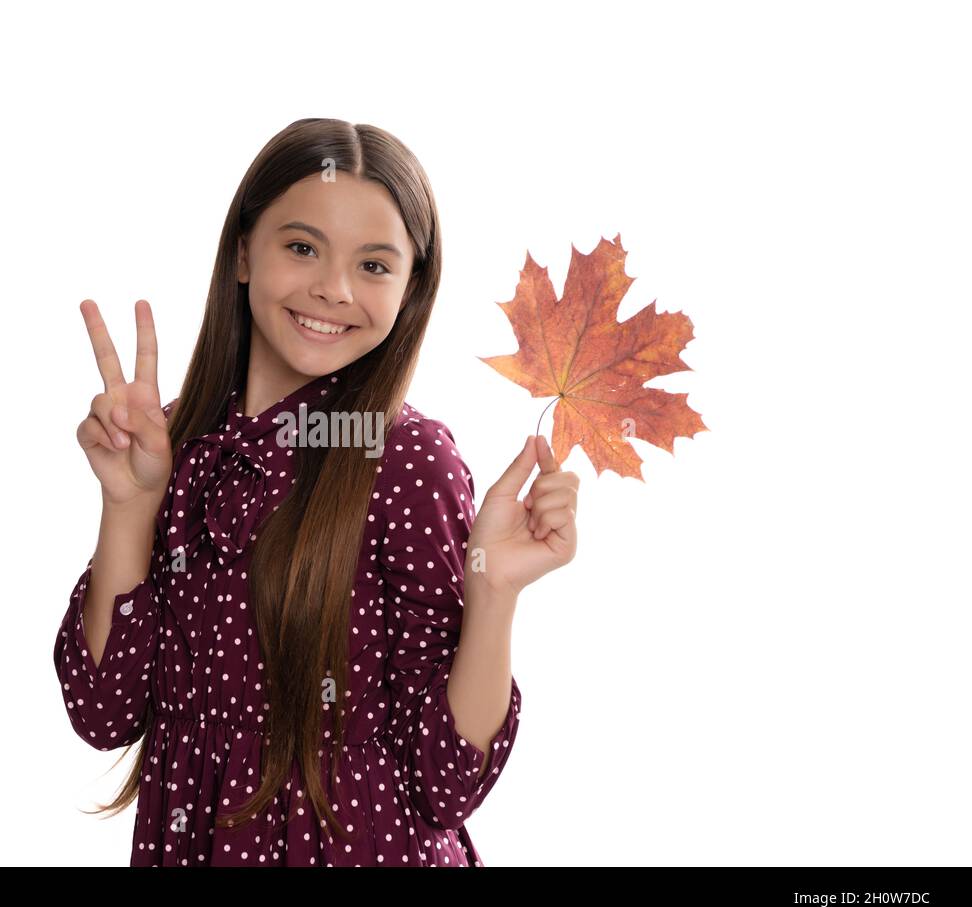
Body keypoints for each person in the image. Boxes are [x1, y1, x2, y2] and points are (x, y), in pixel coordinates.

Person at [53, 118, 579, 866]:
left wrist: (493, 591)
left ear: (411, 287)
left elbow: (444, 787)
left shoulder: (406, 461)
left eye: (373, 265)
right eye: (302, 248)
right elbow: (104, 713)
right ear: (243, 252)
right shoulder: (171, 448)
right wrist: (131, 504)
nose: (333, 290)